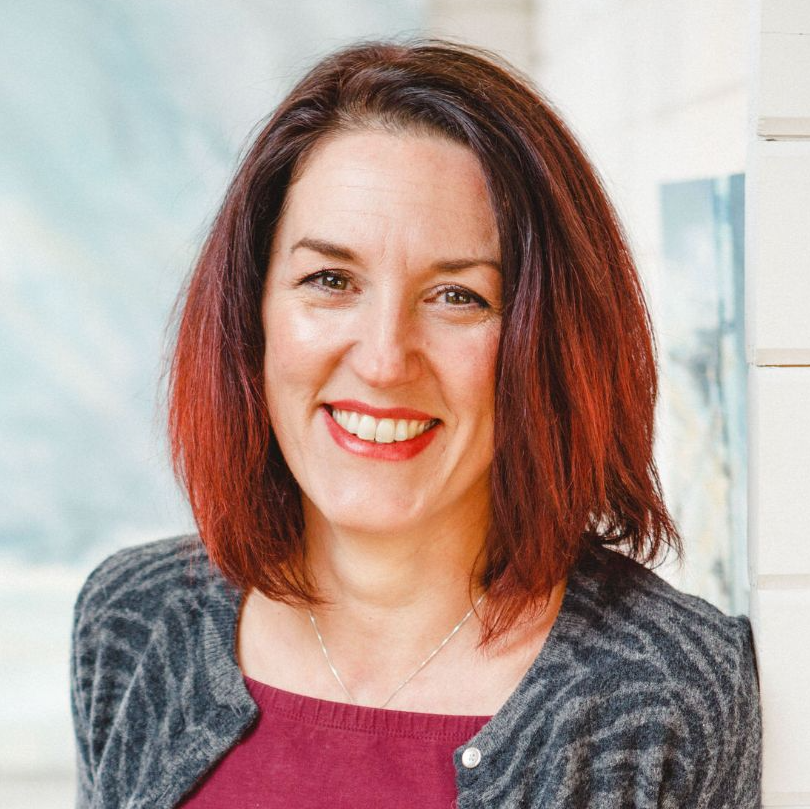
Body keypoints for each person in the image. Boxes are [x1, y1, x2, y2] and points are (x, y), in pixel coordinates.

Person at [69, 39, 762, 809]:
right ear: (251, 314)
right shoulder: (135, 621)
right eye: (331, 280)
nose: (384, 359)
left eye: (458, 296)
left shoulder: (670, 687)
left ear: (549, 341)